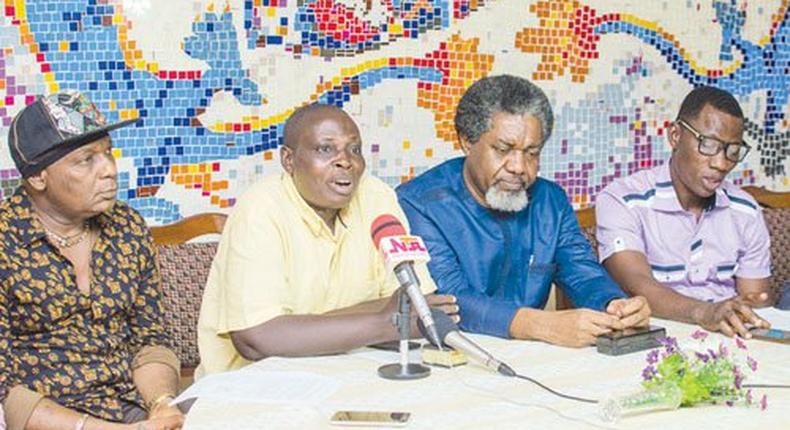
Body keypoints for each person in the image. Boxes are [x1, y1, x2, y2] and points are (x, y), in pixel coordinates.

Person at [197, 104, 457, 376]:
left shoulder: (376, 197)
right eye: (325, 149)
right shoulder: (260, 209)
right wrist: (383, 321)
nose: (346, 161)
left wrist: (304, 327)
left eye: (354, 149)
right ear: (289, 160)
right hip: (250, 388)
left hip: (352, 372)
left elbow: (415, 304)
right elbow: (256, 339)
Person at [396, 75, 650, 347]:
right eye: (503, 149)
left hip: (534, 357)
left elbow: (582, 271)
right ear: (467, 141)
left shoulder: (550, 200)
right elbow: (449, 299)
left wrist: (614, 304)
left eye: (532, 152)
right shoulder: (418, 204)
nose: (519, 166)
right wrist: (540, 324)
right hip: (452, 356)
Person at [0, 91, 184, 430]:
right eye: (86, 159)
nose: (109, 170)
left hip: (131, 409)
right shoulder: (5, 241)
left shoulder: (127, 227)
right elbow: (4, 391)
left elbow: (149, 338)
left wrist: (161, 405)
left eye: (108, 153)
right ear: (37, 177)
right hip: (47, 420)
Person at [596, 86, 773, 338]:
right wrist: (705, 312)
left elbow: (755, 303)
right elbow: (636, 283)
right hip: (651, 339)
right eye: (708, 144)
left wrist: (745, 309)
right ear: (676, 136)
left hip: (729, 339)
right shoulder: (624, 200)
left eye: (732, 151)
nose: (721, 163)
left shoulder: (745, 210)